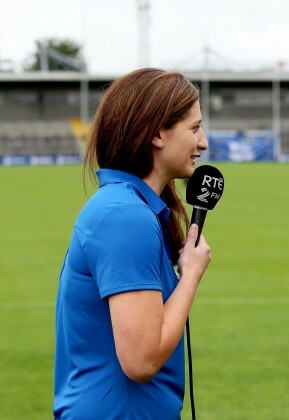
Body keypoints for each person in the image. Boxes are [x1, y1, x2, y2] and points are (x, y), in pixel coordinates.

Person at [54, 68, 211, 419]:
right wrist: (190, 276)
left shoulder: (126, 207)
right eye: (194, 127)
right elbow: (141, 360)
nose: (203, 143)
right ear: (157, 133)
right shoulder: (125, 216)